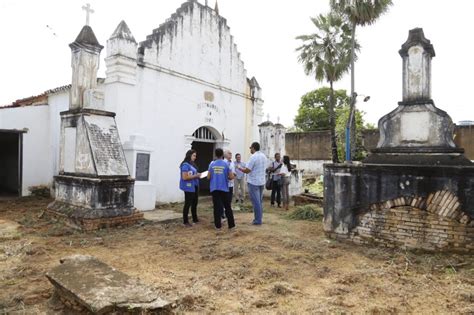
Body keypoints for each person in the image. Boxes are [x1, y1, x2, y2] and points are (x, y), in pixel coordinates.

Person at [238, 142, 267, 225]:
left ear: (253, 148)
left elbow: (247, 170)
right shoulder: (263, 156)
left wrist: (240, 168)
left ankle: (258, 220)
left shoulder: (253, 157)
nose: (250, 149)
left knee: (256, 202)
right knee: (259, 201)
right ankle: (259, 218)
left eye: (250, 148)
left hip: (254, 182)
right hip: (261, 181)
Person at [208, 148, 236, 230]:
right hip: (224, 188)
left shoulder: (212, 164)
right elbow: (231, 177)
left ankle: (218, 226)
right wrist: (226, 176)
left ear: (215, 155)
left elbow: (208, 177)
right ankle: (231, 225)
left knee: (217, 207)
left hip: (214, 188)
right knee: (227, 207)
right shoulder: (226, 164)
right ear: (222, 155)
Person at [179, 149, 201, 227]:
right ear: (189, 155)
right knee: (188, 204)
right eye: (194, 155)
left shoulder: (192, 164)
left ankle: (195, 219)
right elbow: (185, 177)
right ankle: (185, 221)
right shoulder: (185, 165)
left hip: (194, 186)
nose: (195, 157)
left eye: (195, 156)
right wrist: (196, 176)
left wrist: (197, 174)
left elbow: (192, 173)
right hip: (188, 187)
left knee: (194, 203)